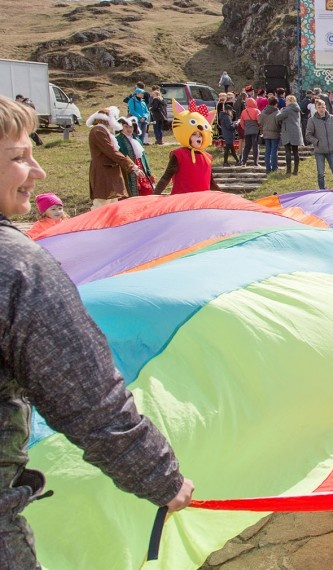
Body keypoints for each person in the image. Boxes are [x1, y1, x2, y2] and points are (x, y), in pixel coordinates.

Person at [0, 96, 194, 567]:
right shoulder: (16, 267)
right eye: (19, 158)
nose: (38, 171)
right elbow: (86, 394)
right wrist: (161, 478)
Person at [153, 103, 221, 195]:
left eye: (200, 135)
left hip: (201, 201)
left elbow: (211, 182)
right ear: (188, 135)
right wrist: (154, 195)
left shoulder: (207, 157)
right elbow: (166, 177)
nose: (199, 138)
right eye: (194, 134)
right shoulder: (178, 154)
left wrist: (225, 196)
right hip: (182, 202)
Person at [87, 109, 139, 208]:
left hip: (109, 171)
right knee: (101, 204)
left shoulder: (103, 131)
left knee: (112, 204)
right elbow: (111, 151)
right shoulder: (98, 131)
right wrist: (132, 166)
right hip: (103, 172)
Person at [306, 99, 333, 189]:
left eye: (323, 107)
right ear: (316, 108)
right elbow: (308, 135)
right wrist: (317, 142)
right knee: (320, 173)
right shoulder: (312, 120)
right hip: (319, 151)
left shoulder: (332, 118)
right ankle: (322, 190)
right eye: (319, 107)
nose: (321, 109)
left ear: (325, 107)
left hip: (331, 150)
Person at [116, 118, 153, 196]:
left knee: (146, 191)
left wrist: (148, 172)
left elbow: (143, 158)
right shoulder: (118, 140)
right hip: (128, 168)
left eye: (131, 127)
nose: (129, 129)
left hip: (140, 167)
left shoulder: (137, 140)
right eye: (126, 126)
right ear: (121, 127)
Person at [277, 95, 303, 175]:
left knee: (288, 151)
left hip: (287, 131)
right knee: (295, 151)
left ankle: (288, 171)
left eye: (287, 100)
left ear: (290, 101)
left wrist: (280, 111)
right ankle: (295, 170)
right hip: (296, 131)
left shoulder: (287, 109)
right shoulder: (297, 109)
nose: (285, 102)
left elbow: (278, 117)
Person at [259, 97, 281, 174]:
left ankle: (268, 168)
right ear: (276, 103)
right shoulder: (277, 112)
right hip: (275, 133)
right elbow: (279, 122)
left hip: (266, 133)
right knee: (274, 151)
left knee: (267, 151)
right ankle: (274, 167)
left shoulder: (263, 111)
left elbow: (260, 122)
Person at [240, 99, 261, 167]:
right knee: (255, 147)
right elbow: (259, 121)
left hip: (247, 131)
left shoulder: (244, 111)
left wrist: (245, 128)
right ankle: (256, 163)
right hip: (255, 131)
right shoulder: (257, 111)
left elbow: (241, 123)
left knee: (247, 147)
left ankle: (243, 162)